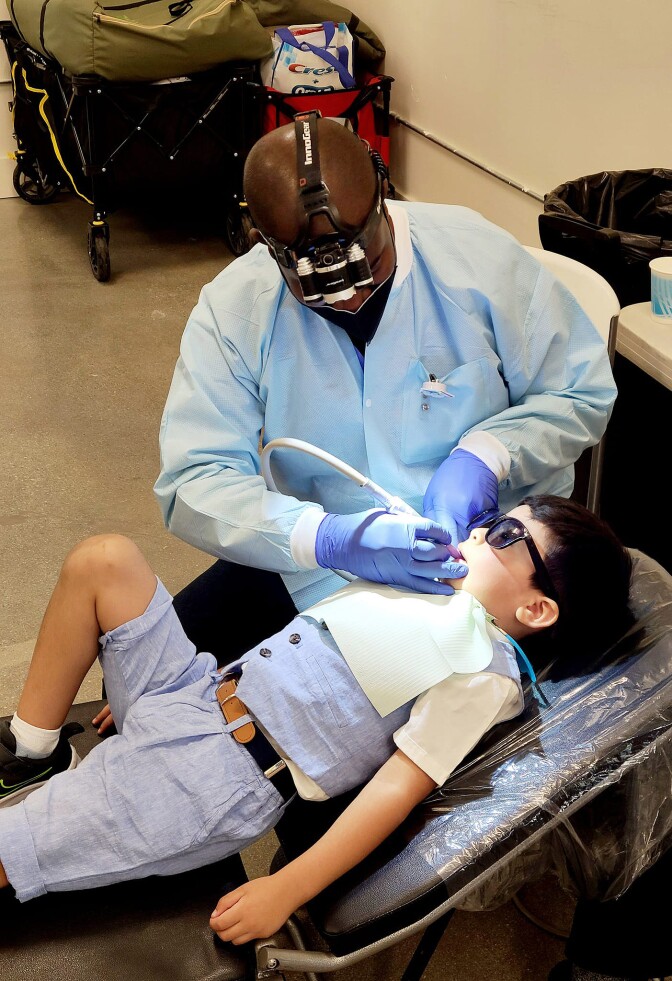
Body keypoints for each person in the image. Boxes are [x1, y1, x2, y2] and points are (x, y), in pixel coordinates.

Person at [0, 496, 633, 945]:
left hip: (219, 776)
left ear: (538, 607)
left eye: (504, 536)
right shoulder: (423, 583)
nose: (479, 530)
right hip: (197, 689)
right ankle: (34, 747)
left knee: (12, 848)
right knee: (105, 560)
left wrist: (288, 889)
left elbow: (395, 789)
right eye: (491, 518)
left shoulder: (484, 674)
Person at [153, 112, 617, 664]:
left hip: (482, 571)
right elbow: (194, 480)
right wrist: (324, 537)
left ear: (383, 201)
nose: (349, 300)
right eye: (320, 294)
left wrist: (488, 454)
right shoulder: (236, 310)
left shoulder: (480, 262)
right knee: (149, 675)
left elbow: (579, 393)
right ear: (267, 245)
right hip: (322, 559)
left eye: (367, 273)